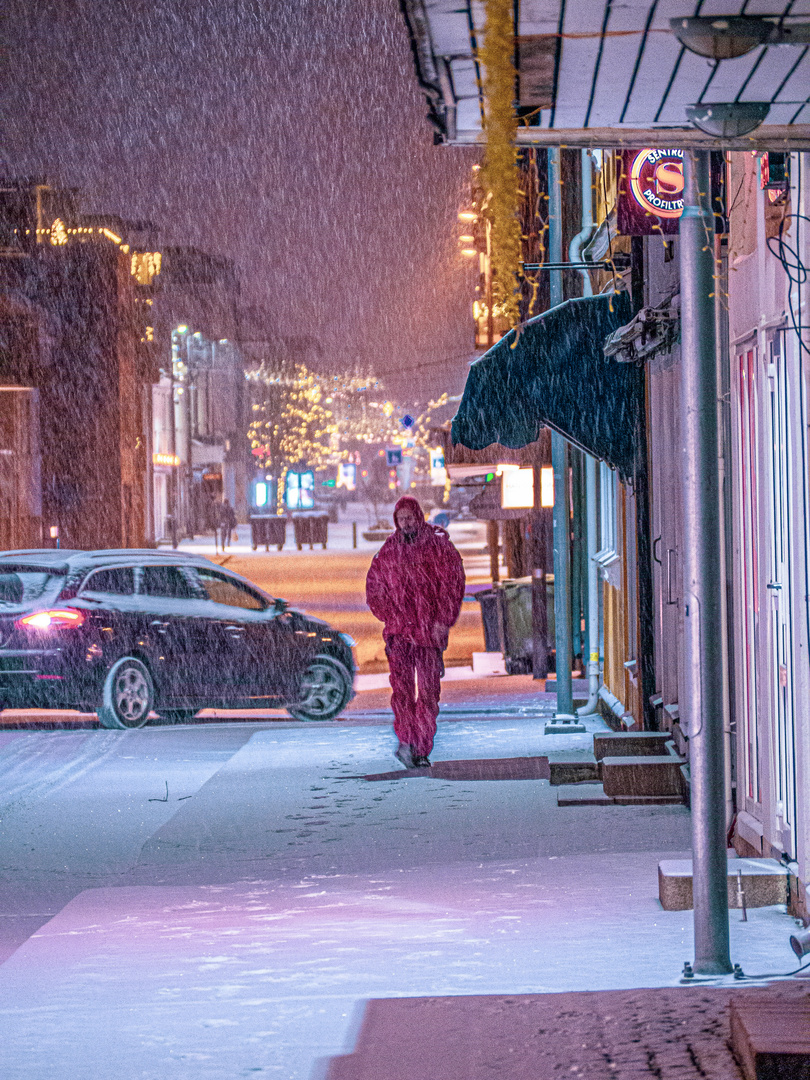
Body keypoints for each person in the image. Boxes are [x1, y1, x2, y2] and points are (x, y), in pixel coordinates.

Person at [366, 494, 465, 769]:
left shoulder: (438, 546)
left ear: (418, 517)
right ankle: (408, 742)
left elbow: (452, 585)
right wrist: (391, 616)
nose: (406, 523)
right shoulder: (389, 551)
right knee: (402, 692)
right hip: (400, 635)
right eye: (401, 519)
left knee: (429, 692)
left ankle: (421, 746)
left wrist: (442, 620)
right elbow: (374, 589)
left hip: (428, 635)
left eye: (409, 518)